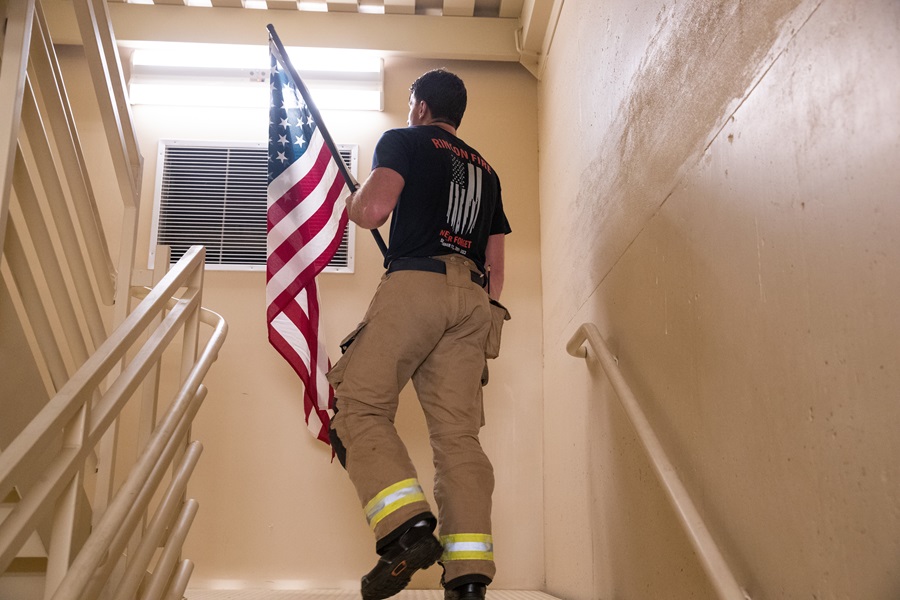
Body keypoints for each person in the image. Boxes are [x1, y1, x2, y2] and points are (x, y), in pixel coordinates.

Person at [326, 68, 511, 600]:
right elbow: (497, 261)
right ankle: (468, 579)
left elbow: (376, 208)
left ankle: (407, 530)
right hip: (475, 301)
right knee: (458, 437)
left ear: (422, 106)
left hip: (417, 285)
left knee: (358, 405)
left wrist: (353, 203)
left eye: (411, 102)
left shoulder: (404, 140)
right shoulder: (487, 171)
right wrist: (486, 309)